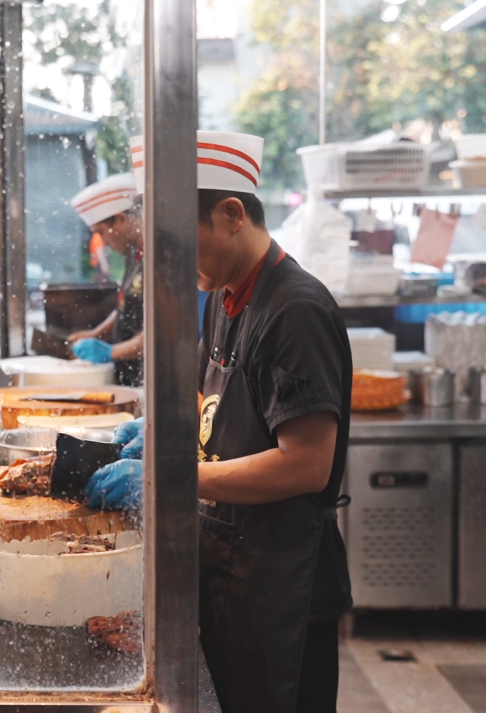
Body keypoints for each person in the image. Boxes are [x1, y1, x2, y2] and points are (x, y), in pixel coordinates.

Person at [86, 131, 353, 713]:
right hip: (236, 564)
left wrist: (173, 479)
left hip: (284, 580)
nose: (173, 262)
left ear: (231, 214)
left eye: (182, 242)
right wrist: (161, 433)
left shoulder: (296, 310)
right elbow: (215, 403)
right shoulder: (227, 294)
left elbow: (307, 464)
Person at [65, 172, 144, 386]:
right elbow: (125, 307)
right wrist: (96, 334)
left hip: (150, 377)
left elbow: (162, 332)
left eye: (101, 232)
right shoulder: (133, 255)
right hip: (129, 376)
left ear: (121, 219)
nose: (104, 243)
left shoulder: (160, 257)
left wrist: (110, 351)